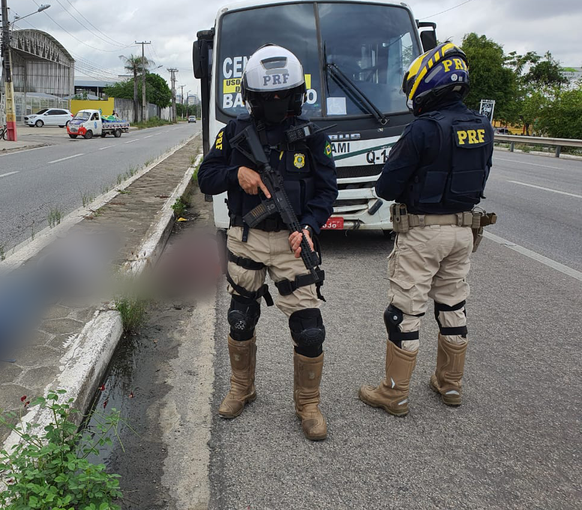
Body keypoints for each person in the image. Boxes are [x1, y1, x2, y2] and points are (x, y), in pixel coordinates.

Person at [197, 44, 338, 441]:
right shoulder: (234, 133)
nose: (276, 104)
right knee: (240, 319)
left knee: (310, 330)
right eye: (266, 98)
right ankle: (242, 388)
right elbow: (205, 179)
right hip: (248, 239)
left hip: (294, 242)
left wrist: (309, 226)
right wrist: (236, 172)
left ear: (297, 95)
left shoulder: (311, 137)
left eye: (283, 97)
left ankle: (308, 405)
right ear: (251, 99)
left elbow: (327, 191)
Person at [358, 42, 494, 416]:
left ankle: (394, 393)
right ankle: (450, 385)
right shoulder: (482, 126)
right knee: (453, 305)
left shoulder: (422, 129)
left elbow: (386, 188)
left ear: (427, 82)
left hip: (423, 232)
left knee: (405, 311)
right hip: (465, 230)